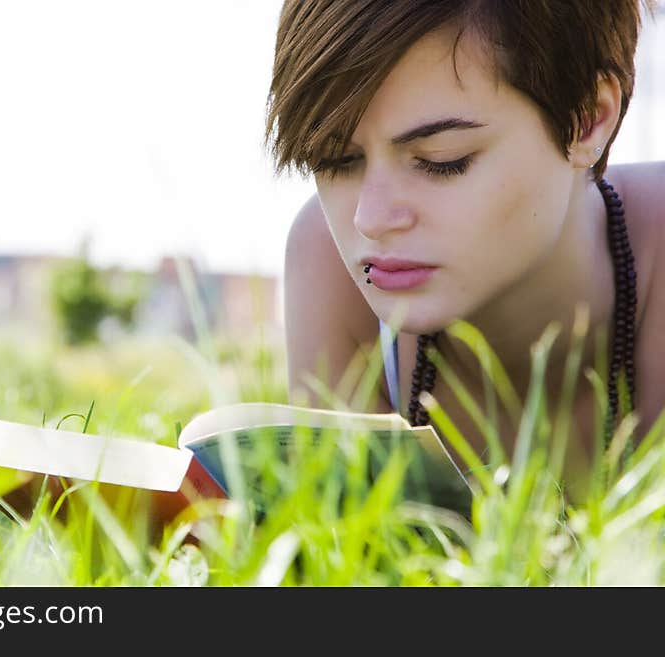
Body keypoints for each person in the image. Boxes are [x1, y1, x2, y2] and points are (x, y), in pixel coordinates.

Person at [265, 0, 663, 500]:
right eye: (338, 161)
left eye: (441, 161)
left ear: (588, 119)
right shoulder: (325, 265)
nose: (369, 218)